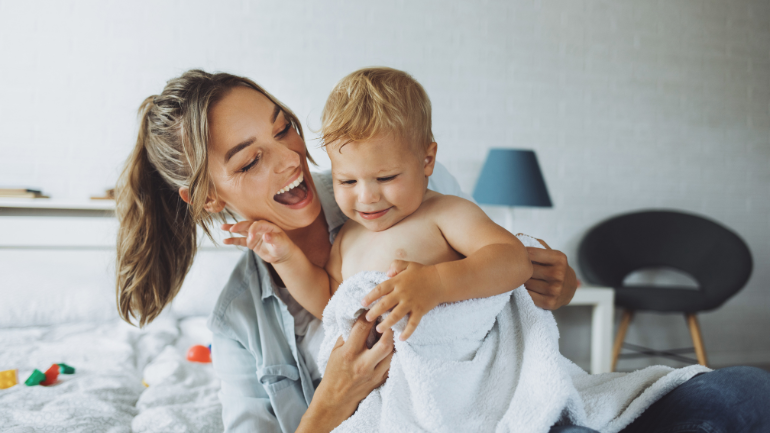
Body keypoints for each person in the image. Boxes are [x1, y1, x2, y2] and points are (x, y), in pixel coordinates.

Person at [115, 69, 769, 432]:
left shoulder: (393, 185)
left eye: (284, 126)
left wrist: (551, 281)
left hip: (501, 396)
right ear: (204, 198)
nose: (290, 159)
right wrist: (331, 399)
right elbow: (331, 298)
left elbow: (500, 268)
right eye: (251, 159)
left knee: (744, 395)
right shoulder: (236, 321)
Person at [222, 67, 533, 342]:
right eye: (347, 181)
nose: (367, 197)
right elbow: (329, 303)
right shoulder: (348, 238)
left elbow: (513, 260)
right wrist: (286, 258)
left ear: (427, 160)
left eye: (385, 178)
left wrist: (436, 283)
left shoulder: (445, 212)